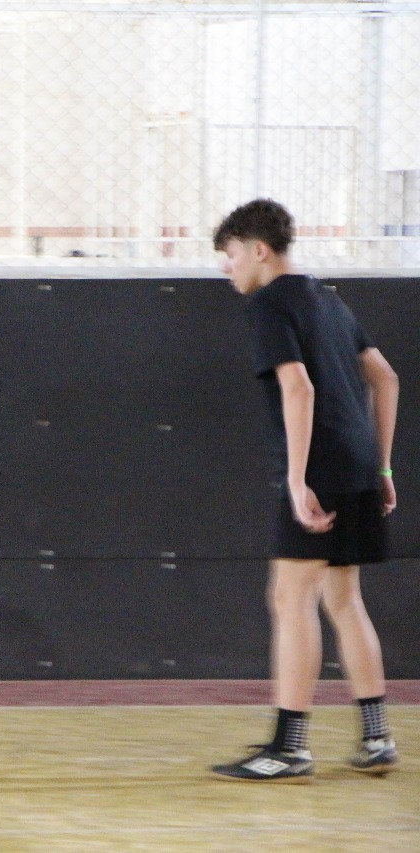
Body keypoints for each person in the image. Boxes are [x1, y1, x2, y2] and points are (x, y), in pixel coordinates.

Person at [210, 198, 400, 783]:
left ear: (259, 250)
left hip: (321, 469)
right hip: (359, 465)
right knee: (343, 599)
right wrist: (382, 468)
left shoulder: (270, 304)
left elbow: (299, 389)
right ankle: (377, 738)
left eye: (230, 254)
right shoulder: (329, 300)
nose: (226, 267)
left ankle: (288, 748)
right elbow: (385, 376)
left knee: (290, 598)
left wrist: (297, 480)